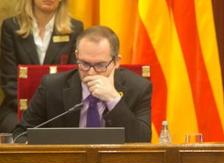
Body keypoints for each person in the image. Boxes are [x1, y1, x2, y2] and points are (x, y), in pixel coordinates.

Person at [13, 25, 151, 142]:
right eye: (84, 64)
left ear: (116, 62)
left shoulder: (138, 88)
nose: (91, 72)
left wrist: (113, 99)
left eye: (100, 65)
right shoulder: (52, 87)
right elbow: (21, 134)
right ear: (77, 56)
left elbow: (142, 140)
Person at [0, 0, 83, 133]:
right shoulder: (11, 26)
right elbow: (9, 80)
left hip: (59, 108)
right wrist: (33, 111)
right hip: (18, 107)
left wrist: (50, 110)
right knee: (17, 129)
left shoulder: (75, 28)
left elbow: (73, 78)